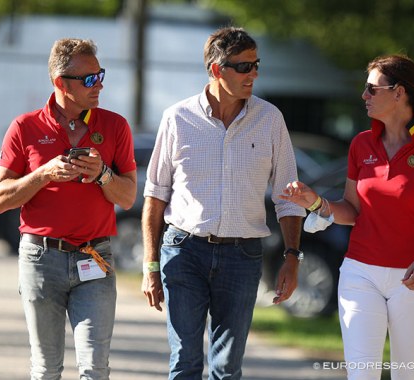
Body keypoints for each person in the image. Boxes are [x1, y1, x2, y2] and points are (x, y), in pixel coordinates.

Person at [141, 26, 306, 379]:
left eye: (256, 65)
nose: (254, 74)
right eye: (244, 67)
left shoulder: (271, 120)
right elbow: (155, 195)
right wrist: (150, 266)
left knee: (227, 368)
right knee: (185, 361)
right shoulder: (177, 118)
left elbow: (288, 198)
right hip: (183, 251)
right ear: (217, 70)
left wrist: (292, 257)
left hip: (242, 256)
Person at [281, 54, 414, 380]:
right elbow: (352, 211)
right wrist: (316, 201)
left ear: (399, 92)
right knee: (362, 374)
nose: (364, 96)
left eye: (372, 89)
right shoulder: (361, 144)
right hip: (360, 274)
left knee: (408, 374)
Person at [0, 38, 137, 379]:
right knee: (46, 369)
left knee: (95, 368)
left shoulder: (115, 126)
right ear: (60, 83)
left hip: (95, 256)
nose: (99, 84)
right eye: (89, 79)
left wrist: (101, 174)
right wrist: (43, 174)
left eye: (100, 75)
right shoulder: (24, 127)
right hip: (41, 259)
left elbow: (128, 197)